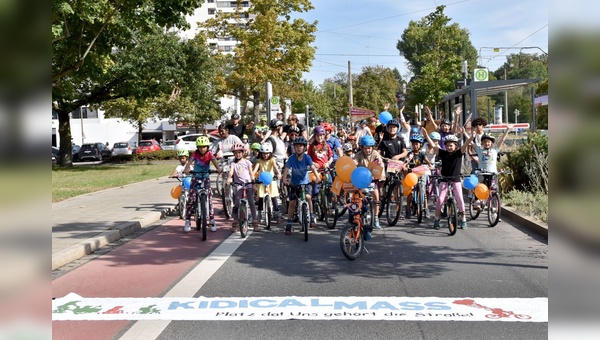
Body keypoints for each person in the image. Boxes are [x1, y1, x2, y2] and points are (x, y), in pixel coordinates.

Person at [422, 128, 475, 230]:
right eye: (447, 145)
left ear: (456, 146)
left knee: (460, 199)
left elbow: (466, 144)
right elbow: (433, 145)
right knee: (440, 200)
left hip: (456, 179)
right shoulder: (443, 153)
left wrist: (472, 137)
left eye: (451, 145)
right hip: (444, 179)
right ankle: (436, 219)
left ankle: (463, 219)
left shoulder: (459, 153)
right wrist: (426, 135)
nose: (449, 147)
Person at [281, 137, 321, 235]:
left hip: (305, 182)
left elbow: (312, 167)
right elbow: (286, 169)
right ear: (294, 148)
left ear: (304, 148)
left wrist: (317, 177)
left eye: (301, 146)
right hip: (294, 183)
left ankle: (311, 215)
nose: (299, 148)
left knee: (308, 197)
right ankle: (289, 223)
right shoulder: (291, 158)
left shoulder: (307, 158)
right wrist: (284, 179)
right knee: (292, 203)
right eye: (297, 146)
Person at [182, 136, 222, 233]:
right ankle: (187, 220)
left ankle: (211, 221)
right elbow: (189, 162)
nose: (202, 149)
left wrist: (218, 169)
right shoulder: (195, 154)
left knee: (209, 198)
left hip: (206, 178)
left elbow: (215, 162)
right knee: (191, 198)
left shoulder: (209, 154)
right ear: (197, 147)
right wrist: (186, 169)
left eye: (204, 147)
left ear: (207, 147)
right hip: (195, 177)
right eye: (200, 147)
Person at [470, 126, 512, 210]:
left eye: (488, 142)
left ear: (491, 143)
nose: (487, 143)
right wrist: (465, 133)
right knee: (478, 186)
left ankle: (495, 210)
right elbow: (471, 142)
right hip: (482, 173)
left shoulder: (495, 150)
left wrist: (508, 130)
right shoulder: (479, 150)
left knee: (494, 190)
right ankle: (477, 201)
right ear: (482, 143)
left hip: (492, 173)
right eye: (485, 142)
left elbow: (502, 140)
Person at [354, 135, 385, 229]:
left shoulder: (375, 154)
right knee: (356, 198)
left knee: (376, 197)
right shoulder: (359, 155)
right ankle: (355, 217)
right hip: (361, 180)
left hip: (372, 179)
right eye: (365, 148)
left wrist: (382, 175)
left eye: (369, 148)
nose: (367, 150)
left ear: (372, 148)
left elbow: (381, 165)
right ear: (362, 147)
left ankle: (375, 218)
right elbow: (353, 162)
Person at [226, 143, 259, 232]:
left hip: (248, 184)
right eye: (236, 153)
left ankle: (255, 221)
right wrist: (229, 179)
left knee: (251, 202)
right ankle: (235, 221)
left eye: (239, 152)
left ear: (243, 152)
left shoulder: (247, 162)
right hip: (238, 185)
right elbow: (231, 172)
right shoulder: (233, 163)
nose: (238, 154)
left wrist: (253, 183)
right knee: (237, 203)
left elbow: (251, 173)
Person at [253, 142, 283, 224]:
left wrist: (279, 174)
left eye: (267, 153)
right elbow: (255, 170)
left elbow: (275, 168)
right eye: (263, 153)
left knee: (273, 198)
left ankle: (277, 215)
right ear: (261, 153)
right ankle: (259, 216)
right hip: (262, 181)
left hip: (271, 181)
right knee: (261, 198)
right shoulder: (259, 161)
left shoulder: (272, 160)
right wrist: (252, 176)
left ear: (270, 153)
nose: (265, 155)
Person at [404, 134, 432, 219]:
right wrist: (406, 164)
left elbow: (427, 161)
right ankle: (408, 209)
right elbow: (408, 159)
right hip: (412, 174)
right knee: (410, 192)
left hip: (421, 173)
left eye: (417, 144)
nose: (415, 146)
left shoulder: (422, 153)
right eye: (413, 144)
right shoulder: (411, 153)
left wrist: (430, 165)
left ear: (421, 145)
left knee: (423, 190)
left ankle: (426, 208)